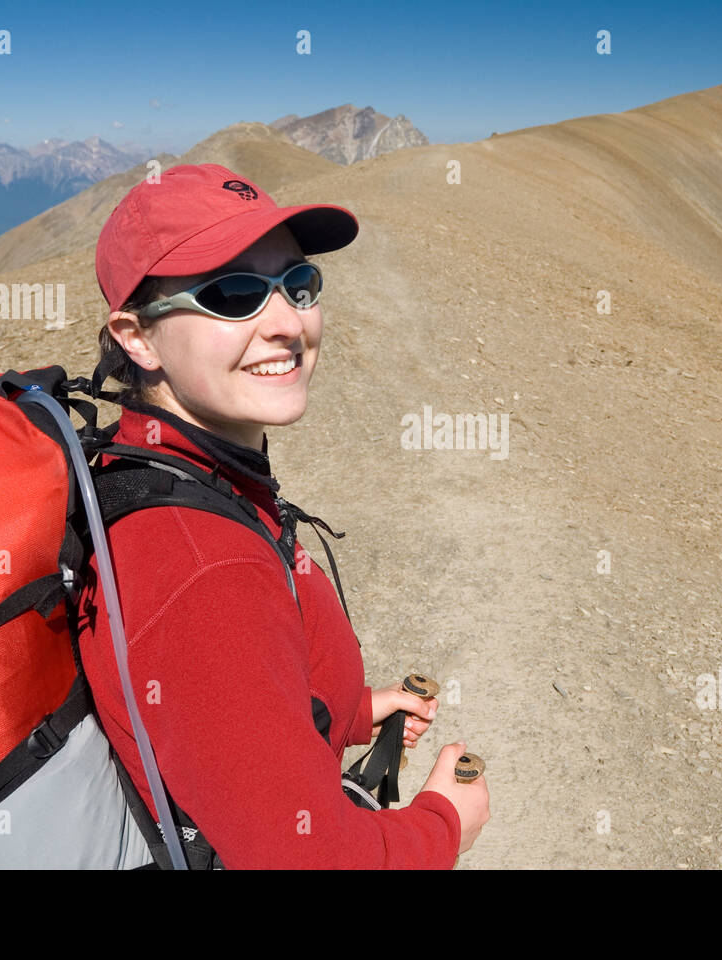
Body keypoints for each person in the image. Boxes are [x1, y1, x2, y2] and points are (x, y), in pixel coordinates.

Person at [76, 163, 489, 868]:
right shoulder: (203, 565)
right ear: (137, 337)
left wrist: (357, 709)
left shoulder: (164, 471)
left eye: (298, 285)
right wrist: (446, 821)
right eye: (232, 294)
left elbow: (225, 701)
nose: (287, 323)